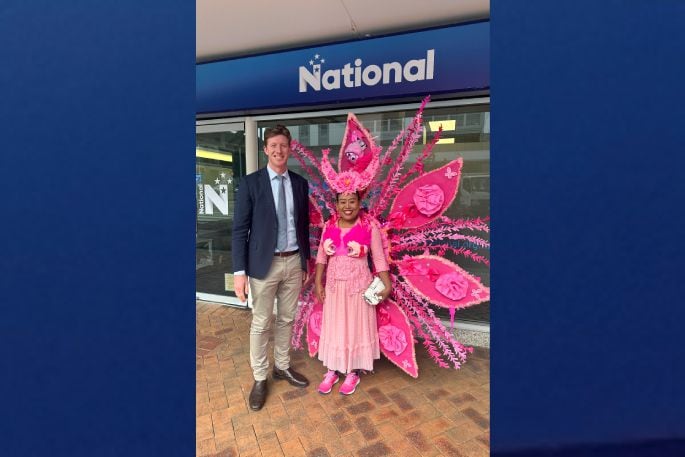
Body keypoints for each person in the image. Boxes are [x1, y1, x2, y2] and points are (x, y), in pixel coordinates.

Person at [232, 125, 311, 411]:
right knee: (261, 323)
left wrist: (305, 261)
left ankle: (282, 366)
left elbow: (303, 226)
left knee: (287, 319)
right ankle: (260, 377)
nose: (279, 150)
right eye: (274, 145)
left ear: (290, 149)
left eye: (284, 145)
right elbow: (240, 230)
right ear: (266, 149)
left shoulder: (300, 184)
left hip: (292, 261)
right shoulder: (251, 183)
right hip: (262, 265)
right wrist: (239, 273)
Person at [314, 191, 392, 395]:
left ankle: (353, 371)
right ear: (336, 205)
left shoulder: (369, 227)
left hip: (358, 286)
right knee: (336, 326)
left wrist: (387, 283)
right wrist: (318, 282)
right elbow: (321, 257)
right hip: (334, 287)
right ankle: (333, 368)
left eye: (351, 201)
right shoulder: (329, 226)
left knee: (355, 327)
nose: (347, 206)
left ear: (359, 203)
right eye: (342, 202)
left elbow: (379, 258)